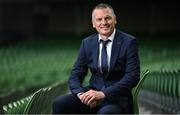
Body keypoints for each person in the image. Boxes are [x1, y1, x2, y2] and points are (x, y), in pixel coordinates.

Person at [53, 3, 140, 114]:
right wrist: (81, 95)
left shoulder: (129, 42)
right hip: (91, 97)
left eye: (107, 18)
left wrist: (103, 94)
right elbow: (76, 75)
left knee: (105, 113)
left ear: (115, 20)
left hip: (116, 99)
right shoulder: (87, 43)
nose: (104, 22)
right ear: (94, 24)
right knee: (59, 103)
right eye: (99, 19)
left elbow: (132, 76)